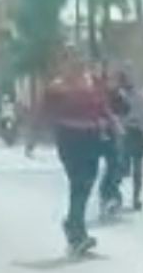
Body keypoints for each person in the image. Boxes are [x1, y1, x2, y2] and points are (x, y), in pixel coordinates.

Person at [27, 49, 115, 257]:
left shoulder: (92, 82)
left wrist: (113, 124)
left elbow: (103, 107)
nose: (77, 63)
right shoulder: (57, 88)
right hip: (69, 139)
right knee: (78, 182)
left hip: (92, 137)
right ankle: (76, 232)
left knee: (88, 181)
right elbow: (42, 113)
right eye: (71, 60)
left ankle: (74, 226)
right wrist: (33, 139)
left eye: (80, 58)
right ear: (63, 64)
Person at [115, 67, 143, 211]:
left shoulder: (138, 95)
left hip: (137, 133)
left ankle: (136, 198)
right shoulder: (118, 95)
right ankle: (113, 194)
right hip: (124, 133)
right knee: (123, 169)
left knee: (137, 169)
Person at [96, 61, 127, 218]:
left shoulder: (118, 95)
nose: (112, 82)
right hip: (99, 135)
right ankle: (107, 194)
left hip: (114, 133)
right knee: (112, 165)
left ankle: (111, 193)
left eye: (114, 79)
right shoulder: (98, 95)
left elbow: (125, 110)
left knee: (117, 166)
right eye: (109, 79)